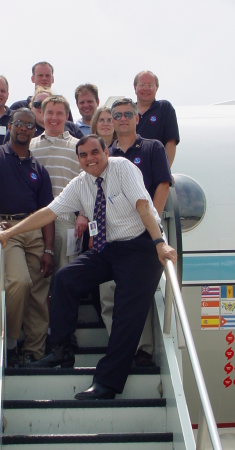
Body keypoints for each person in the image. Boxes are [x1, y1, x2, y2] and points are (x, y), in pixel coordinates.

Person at [0, 134, 177, 400]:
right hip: (111, 248)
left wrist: (159, 243)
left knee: (126, 313)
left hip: (142, 246)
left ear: (105, 152)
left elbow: (143, 206)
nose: (89, 159)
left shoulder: (122, 168)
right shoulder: (80, 184)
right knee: (66, 278)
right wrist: (10, 233)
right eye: (83, 155)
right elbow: (48, 213)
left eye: (94, 153)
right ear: (78, 159)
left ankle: (108, 383)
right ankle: (61, 351)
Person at [0, 108, 55, 366]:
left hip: (34, 228)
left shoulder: (38, 169)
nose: (24, 128)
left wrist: (49, 250)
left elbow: (47, 212)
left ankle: (34, 353)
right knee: (19, 283)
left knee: (39, 294)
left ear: (35, 131)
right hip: (7, 227)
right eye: (19, 123)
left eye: (30, 126)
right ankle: (9, 343)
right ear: (10, 126)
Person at [100, 97, 172, 366]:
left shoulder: (152, 148)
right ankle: (120, 348)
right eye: (116, 115)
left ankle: (142, 349)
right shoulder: (106, 153)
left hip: (145, 234)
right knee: (108, 293)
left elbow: (163, 185)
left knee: (138, 293)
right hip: (113, 235)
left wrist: (149, 221)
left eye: (128, 114)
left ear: (136, 118)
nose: (122, 119)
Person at [30, 95, 87, 272]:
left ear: (67, 116)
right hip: (36, 220)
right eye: (50, 113)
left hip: (66, 219)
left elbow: (87, 184)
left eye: (59, 113)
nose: (54, 117)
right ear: (41, 114)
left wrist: (83, 214)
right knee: (39, 275)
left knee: (67, 271)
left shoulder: (79, 147)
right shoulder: (30, 147)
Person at [134, 70, 179, 167]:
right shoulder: (127, 112)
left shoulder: (164, 108)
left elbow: (171, 142)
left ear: (156, 88)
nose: (146, 88)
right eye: (142, 85)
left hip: (155, 172)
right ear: (135, 87)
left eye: (150, 85)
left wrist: (164, 172)